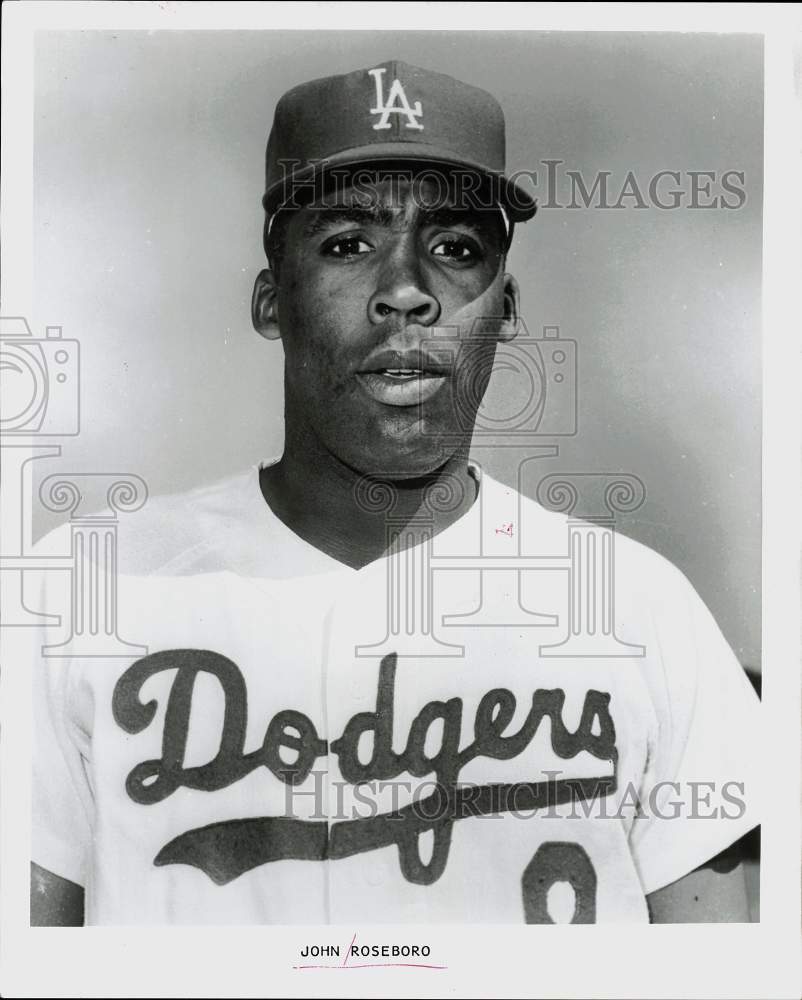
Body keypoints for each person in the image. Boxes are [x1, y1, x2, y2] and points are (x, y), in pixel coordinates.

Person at [29, 60, 759, 925]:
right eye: (346, 244)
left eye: (455, 249)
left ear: (506, 306)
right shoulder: (83, 590)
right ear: (272, 301)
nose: (405, 292)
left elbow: (723, 962)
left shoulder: (642, 611)